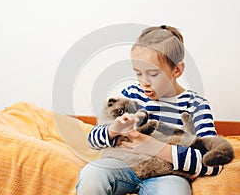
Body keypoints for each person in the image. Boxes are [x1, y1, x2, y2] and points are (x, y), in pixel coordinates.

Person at [76, 25, 222, 195]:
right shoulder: (130, 94)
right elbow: (93, 140)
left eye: (153, 74)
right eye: (138, 73)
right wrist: (112, 130)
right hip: (123, 166)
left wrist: (156, 148)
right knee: (92, 174)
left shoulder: (196, 104)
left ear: (177, 69)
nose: (144, 82)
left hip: (168, 175)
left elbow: (214, 162)